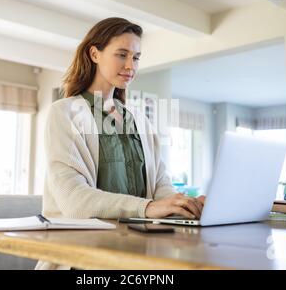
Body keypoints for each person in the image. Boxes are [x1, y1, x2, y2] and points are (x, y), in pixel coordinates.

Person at [36, 18, 205, 269]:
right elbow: (74, 201)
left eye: (136, 57)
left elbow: (160, 185)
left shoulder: (140, 121)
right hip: (82, 259)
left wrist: (183, 204)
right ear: (94, 53)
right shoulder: (64, 113)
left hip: (137, 254)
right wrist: (148, 208)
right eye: (122, 54)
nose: (130, 66)